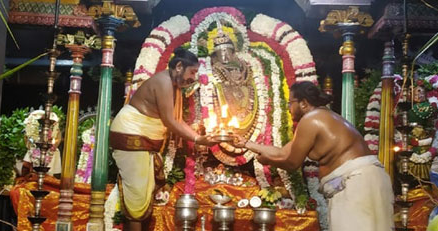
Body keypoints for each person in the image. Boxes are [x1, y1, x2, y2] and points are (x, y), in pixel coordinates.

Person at [233, 81, 394, 231]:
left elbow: (292, 162)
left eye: (290, 103)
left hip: (356, 184)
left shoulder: (310, 120)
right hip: (366, 181)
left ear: (303, 103)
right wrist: (246, 144)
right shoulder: (322, 116)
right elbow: (283, 152)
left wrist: (267, 161)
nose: (289, 109)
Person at [109, 47, 216, 231]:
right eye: (192, 72)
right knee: (137, 197)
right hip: (133, 135)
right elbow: (170, 121)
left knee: (142, 194)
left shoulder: (173, 85)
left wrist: (199, 137)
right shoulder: (164, 82)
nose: (193, 77)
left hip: (142, 140)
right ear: (179, 66)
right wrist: (199, 139)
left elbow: (177, 120)